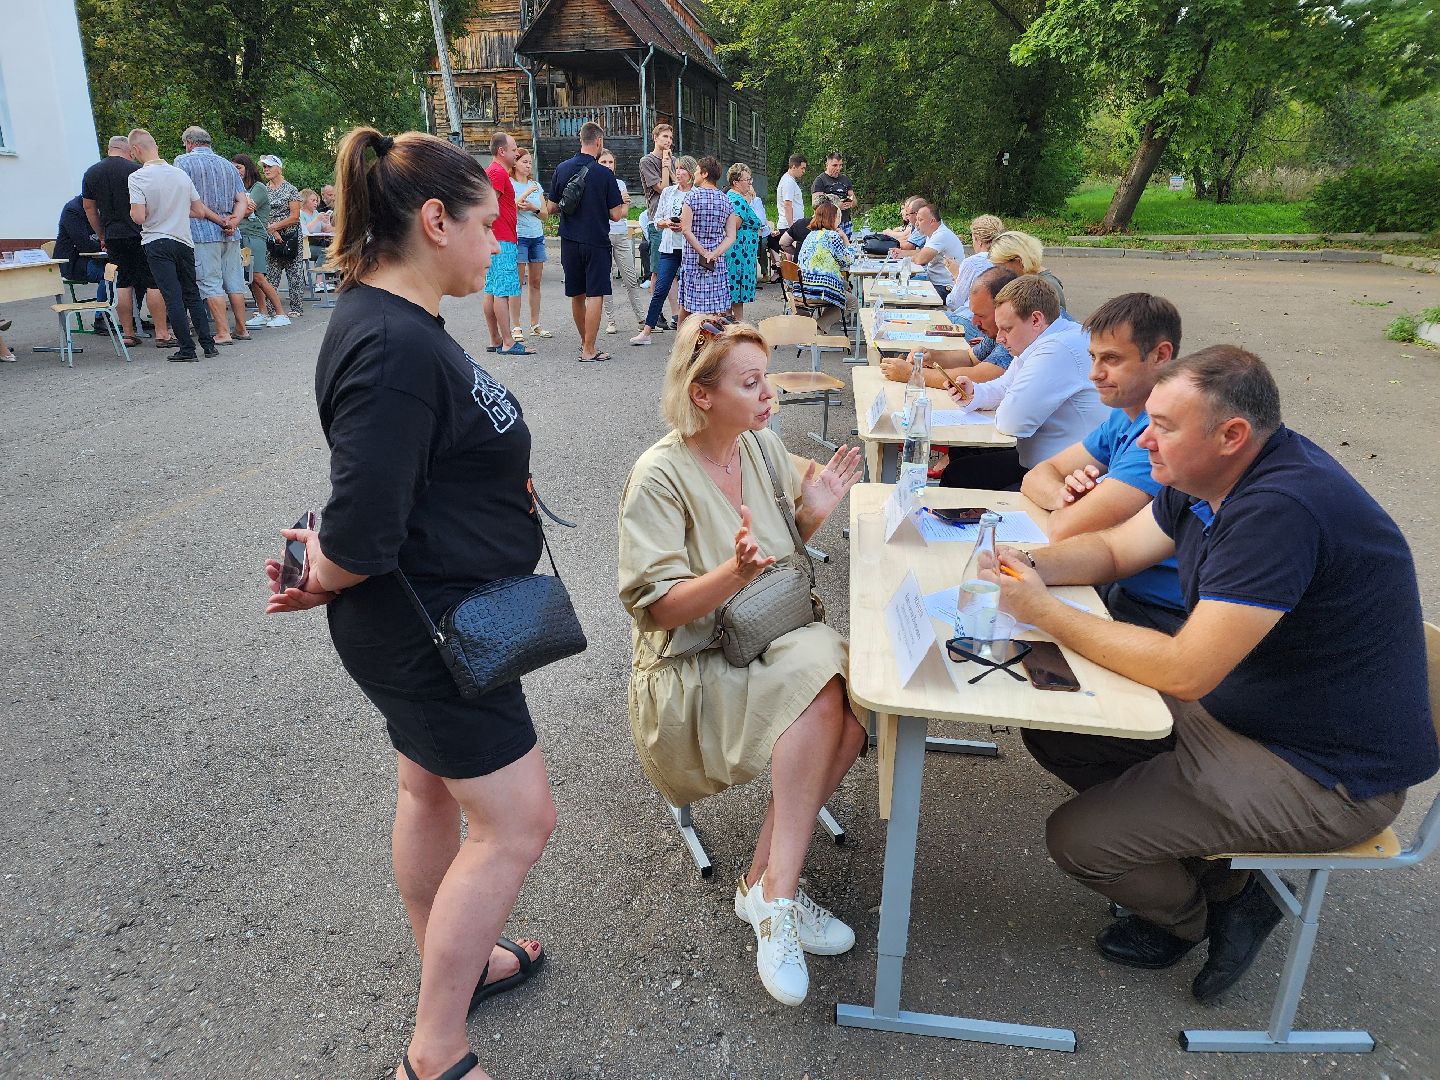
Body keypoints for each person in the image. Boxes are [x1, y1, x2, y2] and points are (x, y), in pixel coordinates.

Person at [987, 345, 1438, 1003]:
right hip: (1252, 710)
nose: (1144, 440)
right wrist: (1028, 563)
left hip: (1325, 773)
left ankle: (1198, 915)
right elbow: (1113, 547)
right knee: (1059, 723)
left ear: (1231, 435)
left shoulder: (1280, 510)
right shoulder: (1206, 477)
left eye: (1163, 426)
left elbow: (1186, 669)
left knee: (1078, 842)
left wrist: (1045, 611)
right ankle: (1223, 873)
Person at [265, 127, 556, 1080]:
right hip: (433, 630)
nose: (496, 240)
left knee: (428, 788)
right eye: (487, 223)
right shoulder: (392, 346)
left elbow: (395, 485)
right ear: (435, 221)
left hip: (438, 613)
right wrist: (326, 571)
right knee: (518, 822)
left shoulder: (396, 322)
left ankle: (455, 965)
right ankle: (435, 1056)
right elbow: (361, 529)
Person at [618, 314, 867, 1008]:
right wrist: (732, 573)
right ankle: (773, 898)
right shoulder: (659, 475)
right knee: (827, 681)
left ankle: (767, 889)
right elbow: (657, 611)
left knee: (851, 707)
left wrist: (812, 514)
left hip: (760, 637)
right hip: (689, 668)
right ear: (701, 394)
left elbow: (779, 553)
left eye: (767, 379)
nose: (769, 396)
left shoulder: (758, 446)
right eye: (751, 383)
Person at [1019, 293, 1187, 631]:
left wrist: (1075, 508)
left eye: (1111, 359)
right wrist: (1064, 496)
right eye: (1093, 358)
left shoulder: (1159, 435)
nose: (1094, 374)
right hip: (1123, 585)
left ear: (1160, 355)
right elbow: (1039, 474)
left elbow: (1066, 530)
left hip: (1159, 611)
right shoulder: (1125, 415)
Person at [944, 274, 1106, 489]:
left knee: (961, 475)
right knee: (960, 471)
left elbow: (1012, 421)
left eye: (1007, 329)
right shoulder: (1051, 338)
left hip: (1070, 478)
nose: (999, 338)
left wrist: (1003, 402)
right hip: (1051, 465)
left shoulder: (1056, 349)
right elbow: (1005, 386)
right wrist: (975, 394)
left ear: (1036, 320)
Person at [125, 128, 220, 362]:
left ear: (136, 149)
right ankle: (208, 345)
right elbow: (199, 211)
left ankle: (187, 348)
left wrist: (147, 212)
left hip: (157, 241)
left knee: (172, 296)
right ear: (155, 146)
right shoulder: (180, 175)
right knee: (192, 293)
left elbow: (138, 216)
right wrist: (177, 211)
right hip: (184, 241)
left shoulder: (137, 177)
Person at [545, 121, 625, 363]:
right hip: (596, 240)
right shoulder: (605, 174)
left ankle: (585, 343)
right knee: (595, 294)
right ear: (599, 142)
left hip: (569, 239)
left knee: (577, 294)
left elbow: (551, 207)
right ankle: (589, 349)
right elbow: (616, 214)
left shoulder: (562, 168)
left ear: (581, 140)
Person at [83, 135, 166, 348]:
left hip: (113, 235)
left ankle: (128, 333)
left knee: (123, 282)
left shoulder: (91, 172)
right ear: (129, 150)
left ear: (109, 149)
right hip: (141, 232)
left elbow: (89, 208)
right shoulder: (137, 170)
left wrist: (102, 234)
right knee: (153, 281)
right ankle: (161, 332)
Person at [175, 126, 250, 345]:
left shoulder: (183, 162)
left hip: (202, 231)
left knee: (210, 282)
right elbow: (242, 199)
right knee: (234, 281)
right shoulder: (227, 164)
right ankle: (241, 328)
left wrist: (219, 220)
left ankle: (222, 332)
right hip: (231, 233)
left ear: (189, 143)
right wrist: (233, 221)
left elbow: (188, 200)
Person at [630, 155, 695, 347]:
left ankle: (688, 334)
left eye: (682, 169)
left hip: (690, 248)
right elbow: (657, 220)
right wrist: (667, 223)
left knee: (690, 291)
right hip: (669, 247)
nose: (679, 172)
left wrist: (684, 226)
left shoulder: (697, 194)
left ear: (691, 172)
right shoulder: (668, 192)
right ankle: (646, 331)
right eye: (677, 168)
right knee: (660, 289)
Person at [477, 132, 530, 355]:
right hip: (502, 239)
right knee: (502, 291)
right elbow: (489, 207)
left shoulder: (494, 172)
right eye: (514, 149)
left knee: (491, 290)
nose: (516, 153)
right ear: (502, 151)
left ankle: (495, 339)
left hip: (497, 238)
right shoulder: (498, 173)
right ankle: (508, 341)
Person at [677, 156, 736, 321]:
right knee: (716, 311)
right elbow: (731, 236)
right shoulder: (726, 200)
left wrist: (703, 252)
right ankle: (711, 338)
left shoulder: (691, 197)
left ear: (704, 173)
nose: (694, 173)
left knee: (687, 307)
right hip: (716, 263)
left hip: (693, 260)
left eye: (697, 170)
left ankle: (682, 337)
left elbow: (686, 230)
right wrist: (714, 253)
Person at [232, 154, 287, 330]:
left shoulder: (259, 187)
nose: (236, 171)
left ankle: (281, 313)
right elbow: (243, 208)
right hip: (242, 236)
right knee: (251, 278)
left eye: (239, 167)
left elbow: (248, 210)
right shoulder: (240, 188)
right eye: (234, 168)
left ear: (247, 168)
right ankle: (263, 312)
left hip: (255, 237)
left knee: (258, 276)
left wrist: (236, 208)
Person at [596, 148, 646, 336]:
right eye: (604, 162)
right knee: (606, 280)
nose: (608, 165)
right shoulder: (595, 183)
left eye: (610, 162)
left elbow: (623, 213)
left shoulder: (620, 183)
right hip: (603, 235)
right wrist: (616, 201)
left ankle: (641, 319)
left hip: (621, 235)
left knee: (631, 279)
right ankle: (611, 320)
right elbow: (599, 212)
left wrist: (612, 205)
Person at [510, 147, 551, 341]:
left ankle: (535, 324)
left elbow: (545, 214)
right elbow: (511, 208)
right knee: (517, 283)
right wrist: (525, 194)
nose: (528, 166)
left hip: (537, 237)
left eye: (530, 162)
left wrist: (534, 208)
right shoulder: (510, 183)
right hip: (519, 237)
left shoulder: (536, 185)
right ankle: (516, 326)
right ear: (515, 163)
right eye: (524, 162)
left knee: (535, 282)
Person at [260, 155, 305, 323]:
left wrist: (275, 227)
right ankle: (270, 308)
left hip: (290, 236)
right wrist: (272, 230)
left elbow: (295, 216)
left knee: (294, 272)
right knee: (271, 272)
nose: (266, 169)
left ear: (279, 168)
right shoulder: (263, 190)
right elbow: (261, 213)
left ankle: (296, 307)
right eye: (264, 167)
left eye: (269, 166)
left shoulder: (290, 189)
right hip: (271, 236)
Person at [796, 202, 853, 333]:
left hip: (801, 289)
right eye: (838, 217)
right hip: (819, 290)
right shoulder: (832, 236)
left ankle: (818, 328)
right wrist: (845, 238)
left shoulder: (811, 235)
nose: (840, 220)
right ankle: (818, 328)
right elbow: (847, 261)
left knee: (844, 286)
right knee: (852, 301)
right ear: (832, 218)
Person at [988, 230, 1067, 314]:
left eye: (1001, 267)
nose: (999, 272)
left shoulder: (1045, 288)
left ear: (1018, 261)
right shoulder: (1029, 280)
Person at [900, 201, 965, 301]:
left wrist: (907, 257)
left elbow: (920, 259)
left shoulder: (941, 235)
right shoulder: (933, 233)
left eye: (920, 220)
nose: (916, 223)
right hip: (934, 281)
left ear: (932, 221)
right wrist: (901, 253)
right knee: (901, 286)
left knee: (904, 294)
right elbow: (922, 252)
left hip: (945, 288)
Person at [723, 163, 763, 320]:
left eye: (750, 179)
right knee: (736, 293)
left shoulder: (732, 197)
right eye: (747, 180)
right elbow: (733, 227)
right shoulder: (738, 201)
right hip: (739, 253)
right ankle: (739, 325)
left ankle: (730, 322)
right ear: (736, 182)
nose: (750, 183)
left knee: (731, 294)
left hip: (739, 252)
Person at [946, 214, 1005, 318]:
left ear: (979, 241)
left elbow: (954, 302)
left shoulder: (972, 263)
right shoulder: (1006, 259)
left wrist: (956, 275)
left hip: (970, 319)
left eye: (973, 238)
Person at [638, 123, 674, 289]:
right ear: (655, 138)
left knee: (675, 272)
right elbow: (662, 188)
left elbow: (681, 185)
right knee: (658, 270)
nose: (668, 140)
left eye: (671, 137)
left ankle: (674, 306)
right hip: (657, 218)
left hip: (674, 218)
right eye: (665, 136)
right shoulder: (647, 161)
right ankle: (656, 305)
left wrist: (670, 166)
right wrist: (665, 166)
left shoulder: (673, 160)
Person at [53, 195, 106, 301]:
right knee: (110, 275)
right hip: (73, 262)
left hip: (95, 258)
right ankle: (103, 310)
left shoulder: (98, 206)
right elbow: (84, 245)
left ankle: (129, 310)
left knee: (127, 271)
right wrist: (106, 246)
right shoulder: (72, 210)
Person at [810, 152, 855, 238]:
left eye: (840, 165)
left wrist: (850, 202)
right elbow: (816, 205)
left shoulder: (845, 179)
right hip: (827, 223)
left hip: (845, 221)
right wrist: (837, 206)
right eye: (835, 165)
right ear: (827, 165)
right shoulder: (820, 180)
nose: (838, 168)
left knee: (847, 244)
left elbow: (854, 200)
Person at [771, 154, 807, 257]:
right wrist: (793, 227)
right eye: (802, 168)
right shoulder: (788, 182)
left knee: (793, 255)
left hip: (790, 224)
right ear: (794, 167)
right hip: (790, 225)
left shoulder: (788, 180)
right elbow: (787, 205)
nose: (804, 171)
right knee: (795, 256)